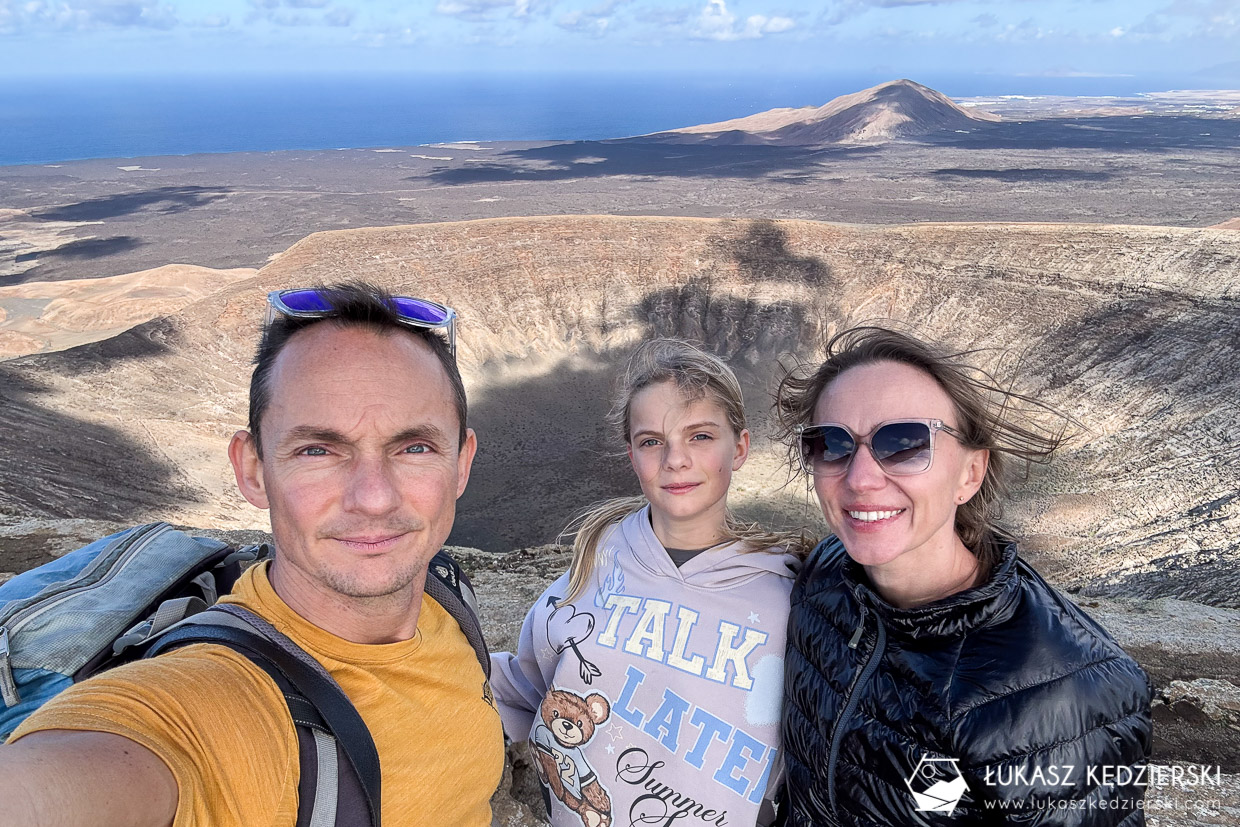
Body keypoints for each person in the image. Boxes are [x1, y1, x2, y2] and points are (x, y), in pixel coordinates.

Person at [0, 283, 505, 826]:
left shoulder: (447, 600)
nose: (374, 497)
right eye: (318, 450)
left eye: (414, 447)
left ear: (461, 463)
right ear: (254, 471)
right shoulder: (207, 703)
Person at [774, 326, 1153, 826]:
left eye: (904, 442)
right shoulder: (824, 577)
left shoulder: (1059, 696)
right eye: (832, 444)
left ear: (969, 475)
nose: (861, 477)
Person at [490, 338, 806, 827]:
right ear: (632, 455)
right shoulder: (594, 566)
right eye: (652, 441)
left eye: (700, 436)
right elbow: (526, 685)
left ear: (740, 448)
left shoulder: (790, 595)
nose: (675, 459)